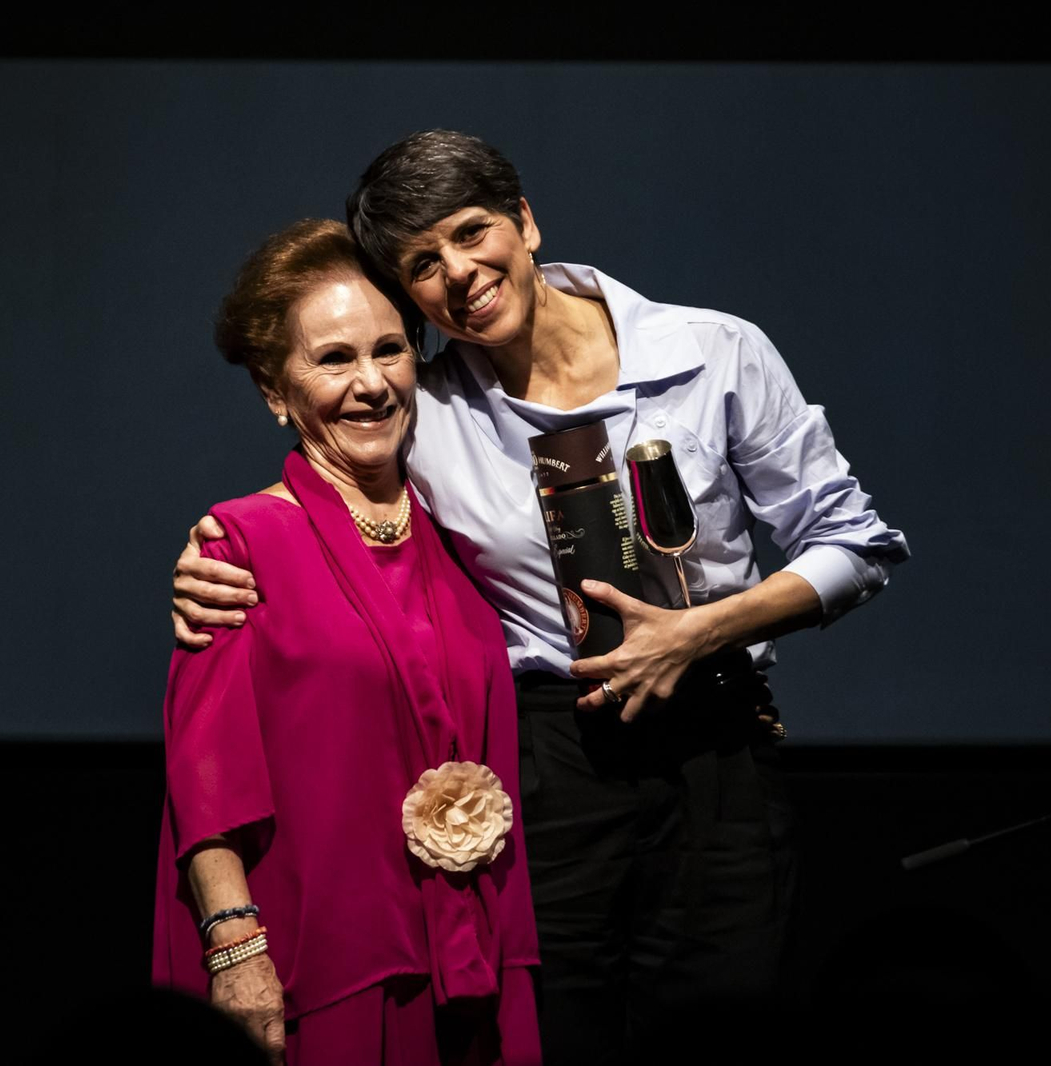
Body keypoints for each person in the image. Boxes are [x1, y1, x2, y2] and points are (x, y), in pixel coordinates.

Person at [171, 131, 910, 1062]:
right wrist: (214, 548)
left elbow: (856, 543)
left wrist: (699, 632)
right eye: (422, 266)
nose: (459, 275)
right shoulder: (427, 408)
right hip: (553, 764)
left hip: (717, 746)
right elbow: (328, 484)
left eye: (471, 232)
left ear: (524, 220)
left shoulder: (715, 353)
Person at [152, 217, 542, 1065]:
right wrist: (235, 949)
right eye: (334, 359)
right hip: (320, 964)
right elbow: (204, 784)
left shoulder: (467, 537)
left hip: (473, 961)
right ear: (273, 389)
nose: (371, 383)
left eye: (391, 350)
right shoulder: (239, 545)